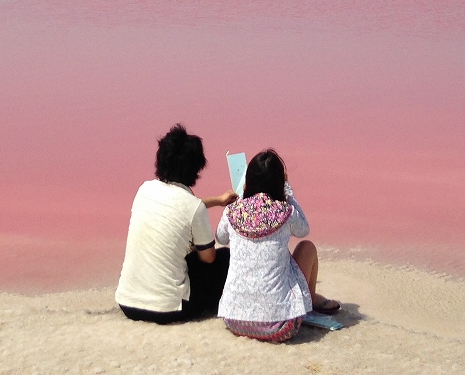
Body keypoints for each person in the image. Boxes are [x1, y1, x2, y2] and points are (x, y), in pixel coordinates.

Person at [215, 148, 340, 342]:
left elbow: (221, 238)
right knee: (307, 247)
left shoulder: (232, 211)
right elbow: (304, 230)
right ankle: (311, 297)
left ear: (247, 181)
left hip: (234, 319)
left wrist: (241, 198)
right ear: (280, 183)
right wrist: (288, 192)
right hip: (280, 326)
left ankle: (310, 298)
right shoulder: (285, 211)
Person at [116, 124, 237, 323]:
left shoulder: (144, 190)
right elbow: (208, 259)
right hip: (167, 309)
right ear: (197, 168)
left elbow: (177, 210)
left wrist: (218, 200)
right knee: (224, 257)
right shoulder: (193, 207)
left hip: (127, 302)